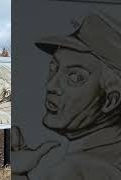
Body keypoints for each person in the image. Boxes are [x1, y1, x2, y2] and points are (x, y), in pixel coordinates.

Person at [13, 12, 121, 180]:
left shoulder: (75, 170)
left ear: (110, 100)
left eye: (75, 77)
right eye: (53, 68)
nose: (51, 86)